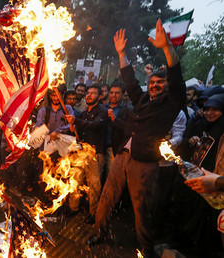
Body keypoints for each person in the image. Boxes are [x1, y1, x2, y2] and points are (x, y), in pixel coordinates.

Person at [89, 20, 186, 258]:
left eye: (159, 83)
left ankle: (147, 250)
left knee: (142, 209)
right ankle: (99, 232)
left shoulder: (171, 104)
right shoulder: (141, 100)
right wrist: (121, 54)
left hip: (145, 163)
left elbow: (176, 79)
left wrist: (166, 49)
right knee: (107, 197)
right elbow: (130, 80)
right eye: (152, 82)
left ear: (165, 87)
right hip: (123, 156)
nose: (154, 85)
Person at [72, 85, 108, 222]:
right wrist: (73, 128)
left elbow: (95, 125)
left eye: (93, 93)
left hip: (95, 153)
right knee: (75, 180)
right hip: (81, 152)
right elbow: (80, 130)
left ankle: (94, 213)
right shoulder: (83, 112)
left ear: (99, 97)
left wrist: (76, 121)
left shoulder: (103, 112)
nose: (89, 95)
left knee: (94, 185)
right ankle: (73, 208)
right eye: (88, 93)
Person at [104, 82, 130, 182]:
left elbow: (128, 129)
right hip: (101, 148)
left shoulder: (127, 110)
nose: (113, 95)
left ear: (123, 94)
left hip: (115, 149)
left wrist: (115, 119)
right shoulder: (102, 108)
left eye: (117, 93)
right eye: (111, 92)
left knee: (112, 178)